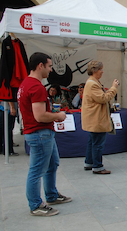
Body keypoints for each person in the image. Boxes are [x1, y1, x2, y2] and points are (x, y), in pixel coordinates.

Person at [17, 52, 71, 217]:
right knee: (37, 170)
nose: (51, 69)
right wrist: (58, 116)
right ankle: (36, 205)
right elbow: (39, 116)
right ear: (40, 66)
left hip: (42, 133)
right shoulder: (36, 86)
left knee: (52, 164)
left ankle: (52, 195)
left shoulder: (26, 84)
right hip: (40, 133)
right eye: (49, 66)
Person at [81, 61, 118, 174]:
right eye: (100, 69)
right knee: (98, 143)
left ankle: (89, 162)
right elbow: (103, 98)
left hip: (94, 118)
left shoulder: (92, 82)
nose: (102, 71)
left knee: (92, 141)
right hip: (96, 118)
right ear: (94, 70)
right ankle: (97, 166)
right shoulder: (93, 83)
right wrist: (114, 88)